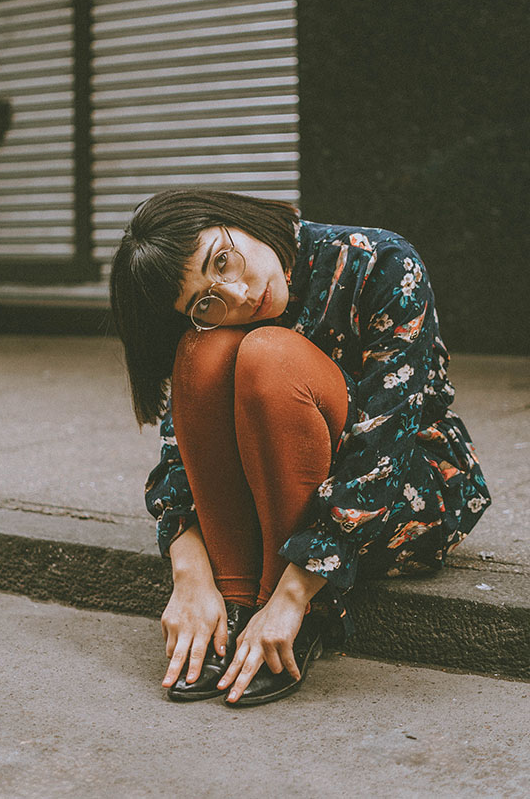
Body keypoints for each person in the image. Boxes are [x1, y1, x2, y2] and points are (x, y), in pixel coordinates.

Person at [109, 189, 490, 707]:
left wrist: (291, 598)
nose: (237, 294)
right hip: (275, 497)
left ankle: (295, 608)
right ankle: (239, 598)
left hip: (402, 491)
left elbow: (383, 446)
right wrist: (189, 571)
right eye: (205, 301)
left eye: (223, 260)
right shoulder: (213, 322)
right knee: (201, 353)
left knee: (269, 354)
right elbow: (181, 454)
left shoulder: (379, 261)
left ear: (234, 219)